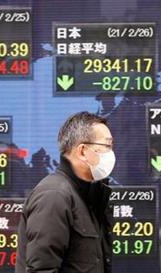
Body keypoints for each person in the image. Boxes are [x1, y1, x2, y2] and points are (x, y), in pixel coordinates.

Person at [16, 111, 115, 273]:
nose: (111, 154)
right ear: (83, 151)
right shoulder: (54, 195)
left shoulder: (89, 197)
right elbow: (42, 270)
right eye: (107, 146)